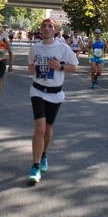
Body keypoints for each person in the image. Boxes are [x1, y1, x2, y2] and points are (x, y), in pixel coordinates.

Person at [27, 18, 79, 183]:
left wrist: (61, 67)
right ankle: (35, 167)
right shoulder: (35, 48)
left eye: (50, 26)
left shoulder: (63, 48)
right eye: (44, 26)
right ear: (40, 30)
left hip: (55, 93)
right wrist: (33, 69)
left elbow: (75, 67)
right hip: (37, 91)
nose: (47, 28)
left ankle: (43, 154)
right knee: (40, 128)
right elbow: (30, 67)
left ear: (55, 30)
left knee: (48, 128)